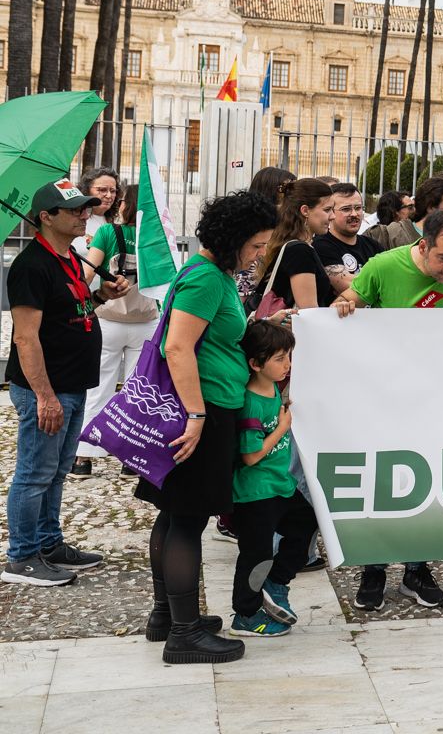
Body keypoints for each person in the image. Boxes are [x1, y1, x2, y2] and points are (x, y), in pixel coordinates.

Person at [135, 190, 281, 663]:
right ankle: (184, 633)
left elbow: (212, 338)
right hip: (203, 414)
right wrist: (197, 417)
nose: (260, 254)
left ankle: (168, 615)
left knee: (173, 514)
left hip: (200, 411)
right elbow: (177, 348)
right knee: (187, 520)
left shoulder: (208, 275)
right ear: (234, 238)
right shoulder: (207, 281)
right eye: (256, 245)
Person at [334, 209, 443, 610]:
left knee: (424, 484)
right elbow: (348, 300)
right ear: (422, 246)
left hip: (439, 400)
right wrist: (344, 305)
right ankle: (372, 569)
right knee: (381, 483)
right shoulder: (383, 267)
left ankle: (416, 568)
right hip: (383, 397)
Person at [4, 180, 128, 587]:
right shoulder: (31, 266)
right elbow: (26, 337)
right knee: (35, 473)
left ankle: (50, 543)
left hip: (73, 384)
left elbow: (73, 310)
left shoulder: (70, 259)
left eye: (85, 208)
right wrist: (44, 396)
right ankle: (21, 557)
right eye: (74, 210)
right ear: (46, 217)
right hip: (48, 388)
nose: (84, 214)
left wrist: (102, 296)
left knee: (56, 472)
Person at [228, 320, 319, 638]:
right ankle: (246, 615)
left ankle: (276, 583)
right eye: (280, 359)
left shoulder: (274, 390)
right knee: (256, 555)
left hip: (280, 485)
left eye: (289, 356)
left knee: (306, 524)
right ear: (255, 363)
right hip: (256, 493)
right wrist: (282, 426)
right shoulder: (249, 402)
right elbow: (251, 455)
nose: (288, 364)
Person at [74, 184, 161, 477]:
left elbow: (85, 278)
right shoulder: (157, 239)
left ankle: (84, 456)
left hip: (109, 319)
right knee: (138, 391)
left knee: (99, 385)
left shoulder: (108, 233)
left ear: (126, 205)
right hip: (146, 321)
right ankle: (131, 456)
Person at [257, 178, 338, 311]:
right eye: (327, 209)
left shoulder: (295, 246)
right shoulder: (300, 251)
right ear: (305, 210)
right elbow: (309, 311)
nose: (333, 216)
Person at [314, 182, 381, 295]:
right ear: (331, 212)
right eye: (346, 209)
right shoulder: (321, 246)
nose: (354, 214)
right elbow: (348, 286)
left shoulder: (373, 245)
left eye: (358, 208)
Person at [74, 166, 121, 254]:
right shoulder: (73, 218)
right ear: (86, 190)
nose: (109, 195)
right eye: (102, 190)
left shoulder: (118, 221)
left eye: (113, 191)